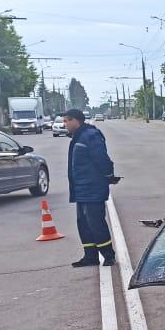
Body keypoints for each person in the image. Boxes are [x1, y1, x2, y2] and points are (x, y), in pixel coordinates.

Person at [63, 108, 118, 267]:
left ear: (76, 121)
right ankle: (90, 256)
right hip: (81, 189)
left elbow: (102, 159)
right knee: (83, 223)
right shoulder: (78, 137)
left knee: (95, 223)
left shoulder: (90, 136)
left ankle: (108, 255)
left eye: (67, 121)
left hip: (92, 188)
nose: (64, 124)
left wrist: (109, 176)